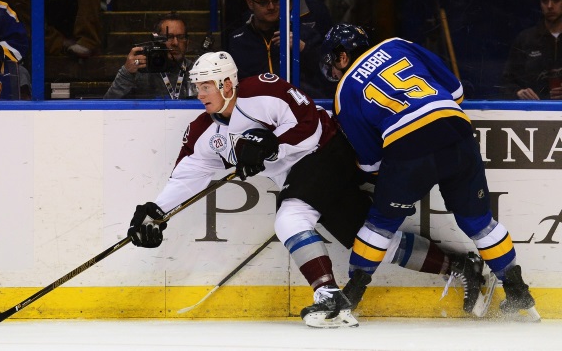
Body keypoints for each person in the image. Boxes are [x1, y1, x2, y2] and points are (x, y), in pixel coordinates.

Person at [125, 51, 492, 329]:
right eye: (197, 87)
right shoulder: (204, 132)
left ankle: (330, 297)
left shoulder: (264, 90)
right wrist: (156, 211)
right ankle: (463, 267)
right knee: (372, 242)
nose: (199, 94)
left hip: (328, 151)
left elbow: (309, 124)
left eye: (205, 86)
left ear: (226, 84)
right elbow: (188, 173)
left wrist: (270, 144)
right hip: (302, 178)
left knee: (291, 216)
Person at [328, 24, 539, 320]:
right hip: (456, 130)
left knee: (379, 225)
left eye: (332, 59)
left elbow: (371, 161)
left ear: (341, 56)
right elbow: (456, 91)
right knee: (479, 220)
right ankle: (519, 293)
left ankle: (350, 296)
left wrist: (391, 180)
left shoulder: (345, 89)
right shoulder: (397, 43)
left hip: (408, 149)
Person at [226, 0, 329, 99]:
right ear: (250, 3)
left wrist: (303, 48)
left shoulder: (303, 33)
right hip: (256, 112)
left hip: (300, 111)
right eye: (263, 2)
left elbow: (329, 72)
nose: (271, 7)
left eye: (276, 0)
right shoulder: (238, 40)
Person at [104, 12, 196, 100]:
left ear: (187, 42)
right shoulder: (141, 69)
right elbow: (107, 106)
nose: (175, 43)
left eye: (181, 37)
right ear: (156, 40)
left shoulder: (196, 70)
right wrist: (126, 73)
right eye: (169, 37)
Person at [503, 0, 562, 100]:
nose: (550, 6)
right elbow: (506, 83)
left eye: (556, 0)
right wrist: (518, 93)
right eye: (544, 1)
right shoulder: (526, 40)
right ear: (540, 3)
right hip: (533, 113)